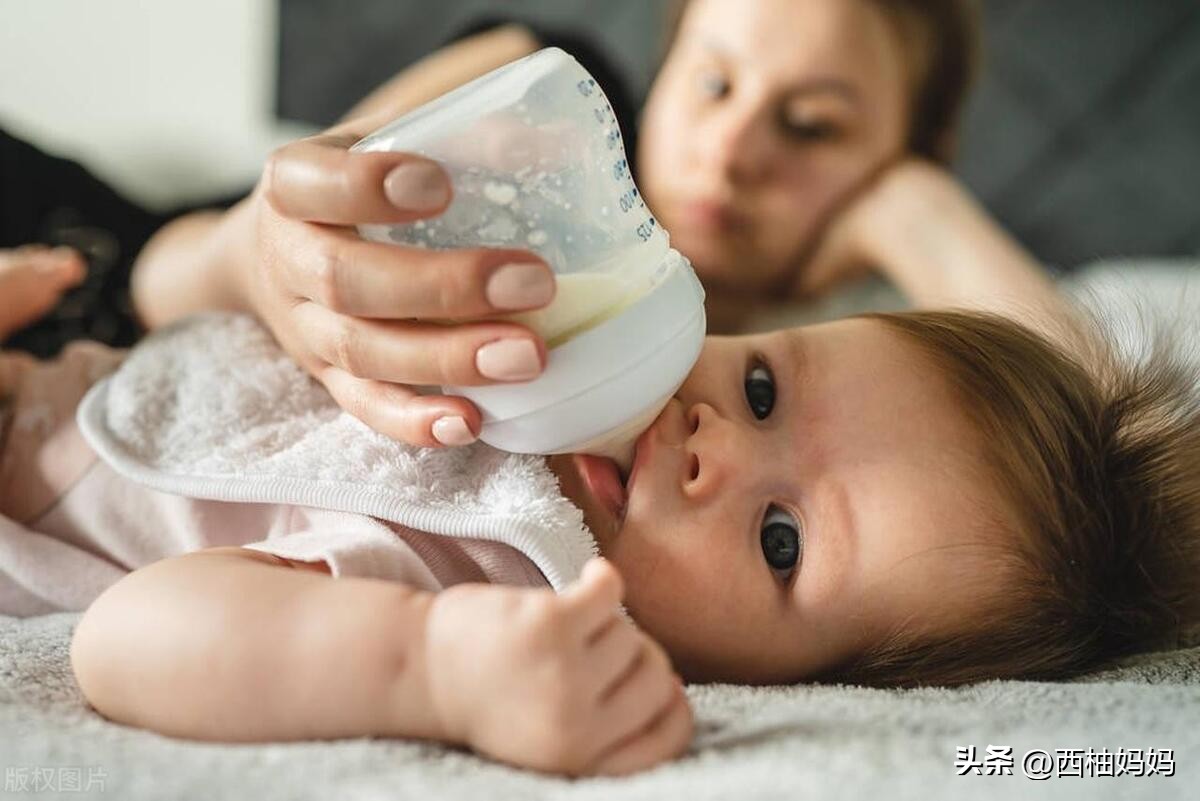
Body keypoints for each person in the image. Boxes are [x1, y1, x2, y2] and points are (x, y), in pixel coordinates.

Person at [4, 206, 1197, 776]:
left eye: (780, 542)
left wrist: (433, 667)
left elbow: (128, 641)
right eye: (768, 386)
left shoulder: (500, 563)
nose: (708, 444)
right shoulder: (567, 354)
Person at [128, 0, 1012, 452]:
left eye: (811, 124)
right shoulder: (539, 99)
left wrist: (920, 215)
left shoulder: (890, 339)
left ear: (910, 152)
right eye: (711, 84)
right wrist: (251, 256)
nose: (730, 151)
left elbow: (1102, 471)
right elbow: (184, 261)